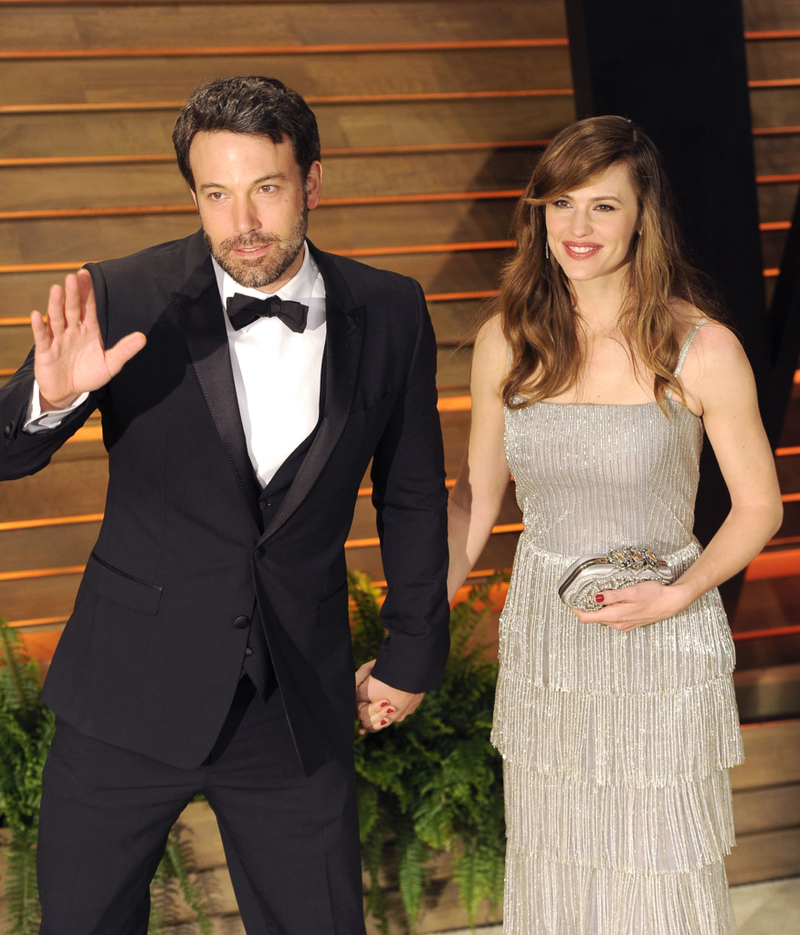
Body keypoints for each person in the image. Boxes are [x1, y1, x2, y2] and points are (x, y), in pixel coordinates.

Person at [0, 75, 450, 934]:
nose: (241, 221)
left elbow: (412, 493)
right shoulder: (123, 295)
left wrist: (414, 650)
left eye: (266, 189)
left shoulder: (392, 310)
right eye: (216, 194)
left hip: (292, 700)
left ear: (311, 183)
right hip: (124, 695)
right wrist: (47, 401)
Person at [447, 116, 783, 934]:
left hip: (665, 635)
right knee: (558, 849)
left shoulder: (702, 348)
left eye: (603, 206)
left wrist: (681, 593)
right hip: (549, 638)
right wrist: (416, 613)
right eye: (561, 204)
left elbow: (760, 507)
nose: (577, 227)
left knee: (657, 857)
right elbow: (477, 500)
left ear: (642, 217)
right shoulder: (507, 342)